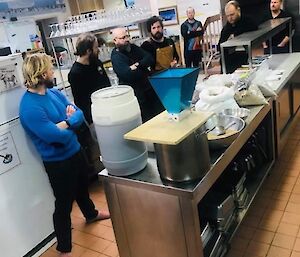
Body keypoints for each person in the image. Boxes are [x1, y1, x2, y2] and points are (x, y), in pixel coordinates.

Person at [19, 53, 110, 257]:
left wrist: (67, 123)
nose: (53, 72)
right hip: (58, 163)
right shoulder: (29, 107)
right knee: (63, 205)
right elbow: (54, 136)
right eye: (51, 69)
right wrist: (70, 122)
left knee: (82, 188)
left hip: (75, 151)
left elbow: (78, 113)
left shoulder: (53, 93)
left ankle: (91, 214)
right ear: (42, 74)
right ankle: (64, 248)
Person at [111, 27, 164, 122]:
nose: (126, 39)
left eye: (127, 36)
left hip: (149, 90)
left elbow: (150, 58)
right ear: (115, 40)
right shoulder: (116, 56)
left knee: (160, 116)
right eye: (123, 38)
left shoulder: (132, 47)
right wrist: (143, 68)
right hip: (136, 96)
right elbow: (128, 75)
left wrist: (137, 65)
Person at [68, 33, 110, 125]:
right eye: (96, 48)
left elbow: (107, 85)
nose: (98, 50)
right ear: (88, 51)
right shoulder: (75, 73)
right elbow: (81, 103)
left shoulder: (97, 63)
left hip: (108, 108)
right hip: (95, 117)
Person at [218, 0, 258, 73]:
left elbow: (254, 26)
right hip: (228, 63)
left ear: (238, 10)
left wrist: (235, 34)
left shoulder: (246, 20)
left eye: (232, 14)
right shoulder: (226, 28)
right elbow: (219, 47)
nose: (230, 18)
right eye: (228, 16)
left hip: (241, 60)